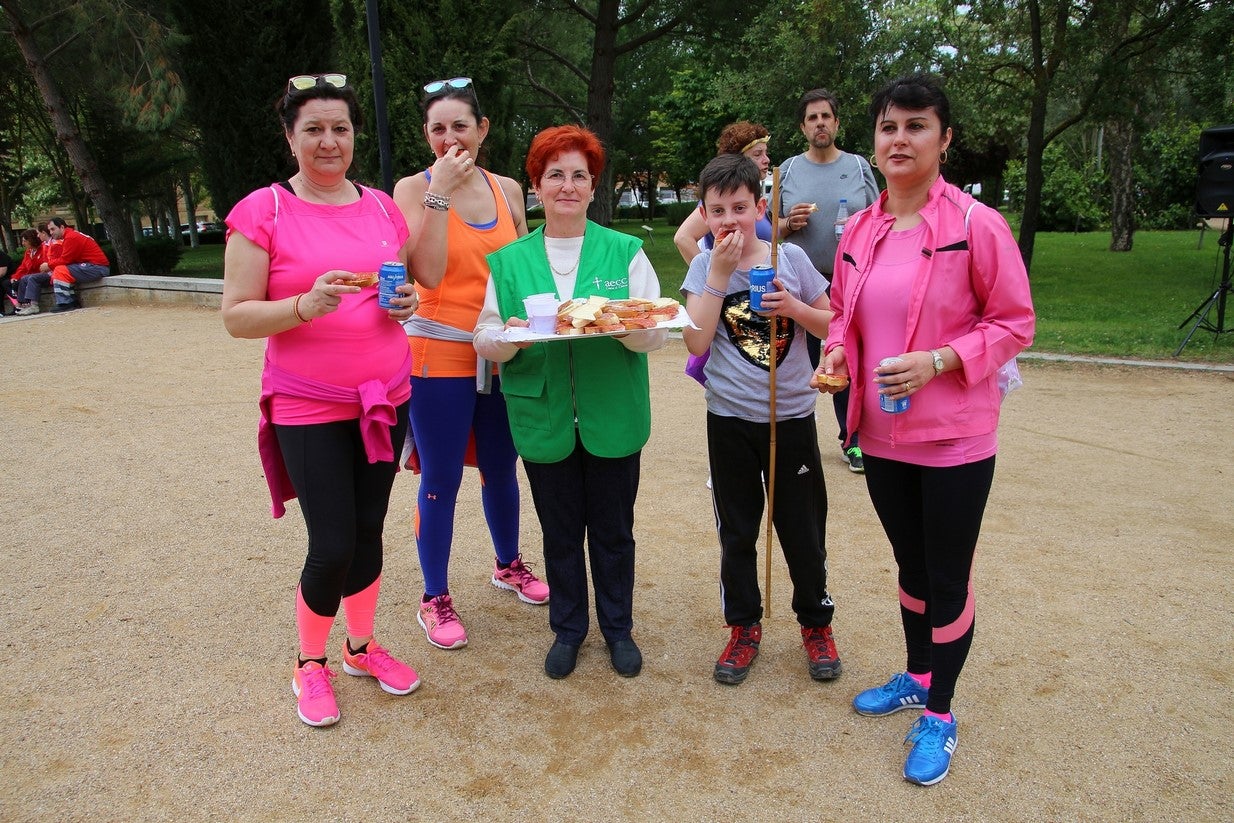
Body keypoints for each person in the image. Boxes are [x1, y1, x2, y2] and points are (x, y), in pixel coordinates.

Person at [819, 73, 1034, 786]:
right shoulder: (861, 226)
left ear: (945, 140)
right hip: (879, 435)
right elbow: (845, 312)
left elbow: (1013, 323)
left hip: (954, 439)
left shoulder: (979, 225)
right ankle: (916, 673)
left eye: (916, 126)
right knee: (910, 568)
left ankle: (940, 712)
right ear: (873, 140)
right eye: (889, 127)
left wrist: (942, 359)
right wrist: (838, 355)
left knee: (946, 576)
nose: (900, 139)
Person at [222, 72, 423, 728]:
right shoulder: (264, 210)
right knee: (332, 539)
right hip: (308, 405)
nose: (329, 140)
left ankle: (361, 647)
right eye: (313, 128)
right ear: (290, 137)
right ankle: (310, 663)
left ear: (354, 135)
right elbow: (237, 316)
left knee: (368, 532)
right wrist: (303, 305)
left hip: (385, 397)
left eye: (340, 128)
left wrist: (408, 302)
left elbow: (405, 288)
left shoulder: (382, 208)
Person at [474, 125, 667, 680]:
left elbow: (654, 330)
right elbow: (485, 338)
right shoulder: (508, 262)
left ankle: (617, 629)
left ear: (592, 185)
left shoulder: (624, 251)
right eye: (554, 174)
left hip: (613, 413)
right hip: (543, 415)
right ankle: (568, 629)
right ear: (536, 186)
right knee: (559, 532)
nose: (567, 185)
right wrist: (507, 337)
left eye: (578, 175)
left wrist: (624, 326)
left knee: (613, 529)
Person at [392, 77, 546, 653]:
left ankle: (507, 564)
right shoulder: (411, 189)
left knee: (503, 468)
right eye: (438, 128)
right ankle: (434, 596)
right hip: (438, 354)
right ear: (427, 136)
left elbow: (523, 267)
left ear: (482, 130)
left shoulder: (507, 189)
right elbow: (425, 272)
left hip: (503, 354)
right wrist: (440, 193)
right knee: (441, 478)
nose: (449, 137)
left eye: (461, 125)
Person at [680, 153, 840, 687]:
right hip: (728, 419)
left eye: (741, 208)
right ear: (704, 212)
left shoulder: (788, 256)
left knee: (802, 528)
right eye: (718, 210)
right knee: (737, 530)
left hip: (791, 416)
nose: (730, 220)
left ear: (759, 207)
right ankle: (743, 624)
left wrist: (793, 308)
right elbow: (697, 340)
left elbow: (833, 323)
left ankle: (815, 622)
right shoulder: (704, 268)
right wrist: (720, 276)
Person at [779, 89, 880, 472]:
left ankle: (853, 439)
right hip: (802, 284)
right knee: (795, 364)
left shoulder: (857, 166)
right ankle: (795, 439)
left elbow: (878, 220)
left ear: (837, 123)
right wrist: (789, 223)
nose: (820, 123)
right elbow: (767, 228)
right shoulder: (787, 170)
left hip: (850, 281)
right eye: (812, 118)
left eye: (826, 116)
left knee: (848, 360)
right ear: (803, 127)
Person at [673, 121, 774, 263]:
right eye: (758, 154)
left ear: (759, 207)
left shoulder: (754, 199)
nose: (766, 160)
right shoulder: (718, 202)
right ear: (737, 159)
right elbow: (683, 237)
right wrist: (707, 274)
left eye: (766, 153)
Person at [40, 217, 110, 313]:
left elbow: (65, 259)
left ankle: (65, 303)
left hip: (96, 267)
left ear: (61, 227)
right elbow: (69, 260)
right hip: (96, 267)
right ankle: (71, 301)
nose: (51, 233)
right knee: (63, 270)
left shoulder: (71, 237)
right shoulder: (71, 235)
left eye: (53, 229)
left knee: (60, 270)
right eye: (49, 230)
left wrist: (48, 265)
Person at [13, 224, 53, 315]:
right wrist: (15, 277)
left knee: (32, 278)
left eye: (25, 241)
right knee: (22, 279)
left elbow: (44, 264)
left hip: (48, 272)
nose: (23, 243)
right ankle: (23, 304)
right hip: (41, 272)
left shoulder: (43, 247)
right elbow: (23, 267)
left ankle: (34, 305)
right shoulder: (29, 252)